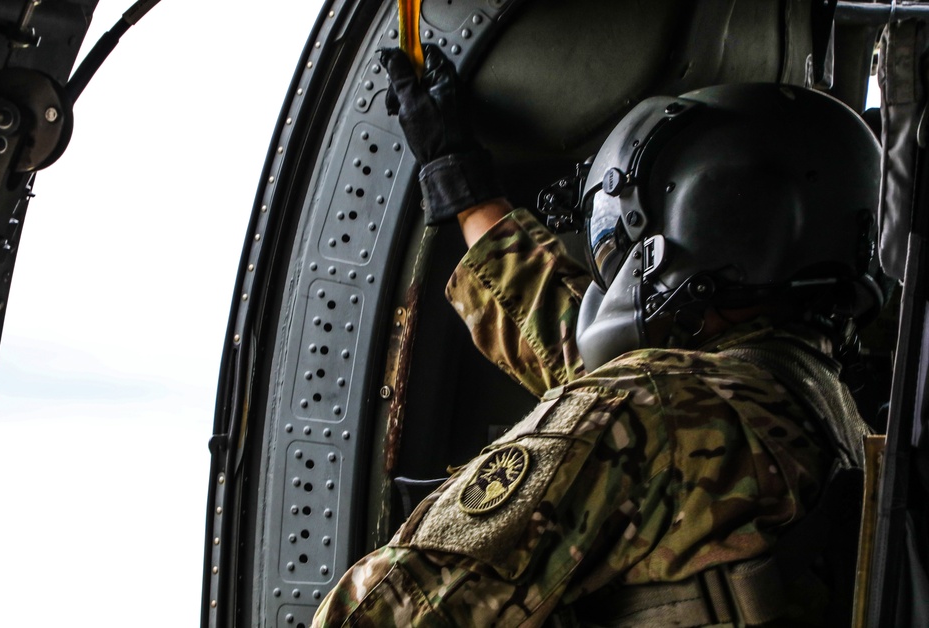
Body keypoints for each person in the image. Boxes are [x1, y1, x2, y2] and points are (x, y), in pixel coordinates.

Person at [311, 45, 882, 627]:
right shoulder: (820, 410)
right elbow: (586, 364)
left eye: (632, 240)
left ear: (703, 221)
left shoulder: (643, 408)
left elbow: (391, 612)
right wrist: (464, 189)